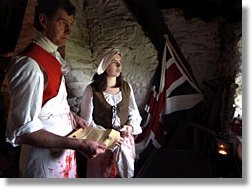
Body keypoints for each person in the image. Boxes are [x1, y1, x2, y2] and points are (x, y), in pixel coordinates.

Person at [2, 0, 106, 178]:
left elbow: (48, 104)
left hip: (62, 155)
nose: (69, 31)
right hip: (42, 163)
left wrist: (72, 117)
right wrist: (78, 145)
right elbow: (22, 131)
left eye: (70, 24)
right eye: (62, 23)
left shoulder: (53, 56)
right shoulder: (30, 65)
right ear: (44, 21)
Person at [80, 47, 142, 178]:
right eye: (114, 62)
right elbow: (86, 122)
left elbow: (134, 113)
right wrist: (106, 135)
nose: (119, 65)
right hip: (101, 142)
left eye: (120, 61)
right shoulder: (91, 90)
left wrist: (130, 127)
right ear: (104, 64)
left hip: (124, 141)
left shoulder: (126, 87)